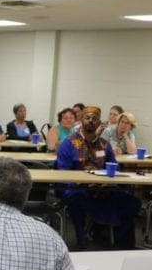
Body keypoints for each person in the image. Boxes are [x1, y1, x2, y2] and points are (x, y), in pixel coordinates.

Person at [57, 106, 142, 249]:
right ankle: (81, 240)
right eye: (87, 118)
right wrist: (80, 182)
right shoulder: (69, 143)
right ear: (82, 121)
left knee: (133, 201)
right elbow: (62, 172)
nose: (91, 121)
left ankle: (119, 239)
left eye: (94, 118)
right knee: (77, 198)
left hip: (102, 188)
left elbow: (114, 167)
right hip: (74, 187)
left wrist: (104, 181)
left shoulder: (104, 145)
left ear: (99, 123)